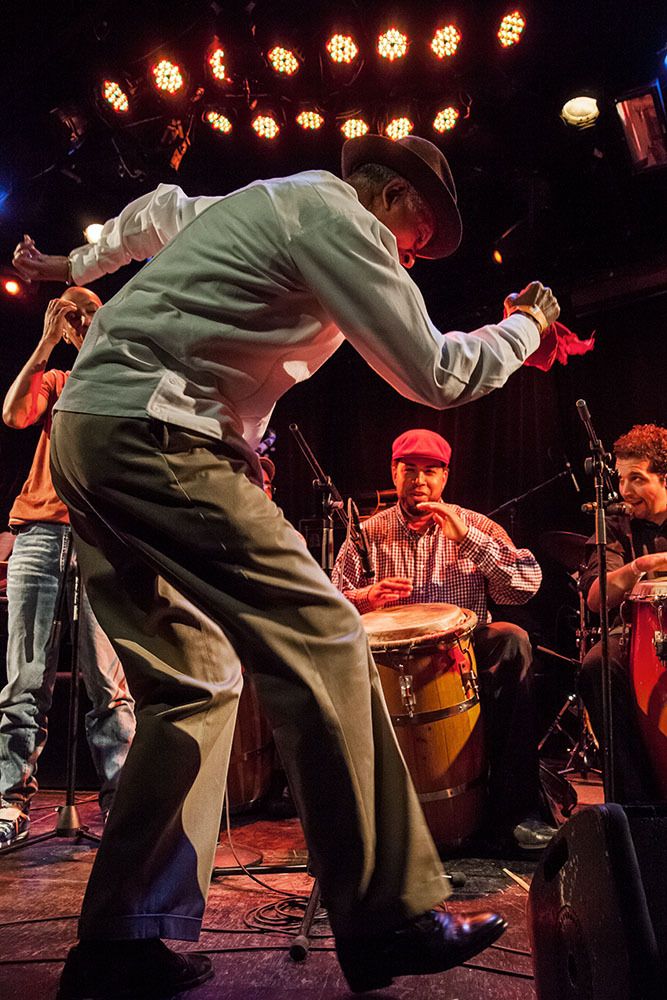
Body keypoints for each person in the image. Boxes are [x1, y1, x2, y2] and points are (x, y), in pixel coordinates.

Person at [12, 133, 560, 999]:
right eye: (425, 228)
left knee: (192, 684)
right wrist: (524, 326)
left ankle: (121, 943)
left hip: (94, 428)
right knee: (325, 632)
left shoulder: (257, 200)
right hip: (159, 431)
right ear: (388, 195)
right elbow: (438, 373)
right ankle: (388, 914)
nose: (420, 250)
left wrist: (68, 261)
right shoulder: (338, 216)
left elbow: (156, 214)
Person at [332, 427, 555, 851]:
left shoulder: (473, 525)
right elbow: (328, 604)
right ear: (393, 473)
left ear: (445, 477)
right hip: (387, 659)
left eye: (430, 471)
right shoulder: (366, 533)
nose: (420, 481)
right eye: (409, 470)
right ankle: (364, 823)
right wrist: (365, 598)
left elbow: (525, 585)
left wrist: (468, 542)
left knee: (512, 640)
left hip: (462, 652)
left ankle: (517, 813)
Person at [0, 289, 135, 851]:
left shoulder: (122, 375)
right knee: (24, 676)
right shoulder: (55, 381)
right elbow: (12, 414)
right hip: (39, 532)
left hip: (100, 533)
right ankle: (7, 800)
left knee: (107, 677)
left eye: (87, 312)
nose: (78, 320)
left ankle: (125, 805)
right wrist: (47, 341)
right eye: (69, 312)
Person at [578, 423, 667, 803]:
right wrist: (637, 567)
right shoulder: (616, 523)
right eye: (621, 478)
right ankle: (636, 805)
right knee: (597, 664)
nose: (625, 491)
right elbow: (596, 599)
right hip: (635, 633)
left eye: (637, 478)